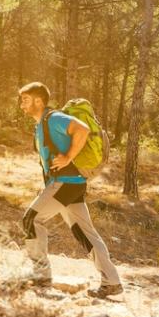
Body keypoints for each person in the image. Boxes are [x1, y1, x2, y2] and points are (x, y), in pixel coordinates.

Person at [19, 81, 123, 299]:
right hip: (71, 184)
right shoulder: (40, 125)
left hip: (66, 182)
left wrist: (68, 157)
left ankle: (40, 275)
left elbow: (82, 129)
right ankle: (112, 282)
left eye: (26, 100)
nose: (22, 104)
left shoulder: (53, 118)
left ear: (39, 101)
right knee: (85, 233)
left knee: (31, 219)